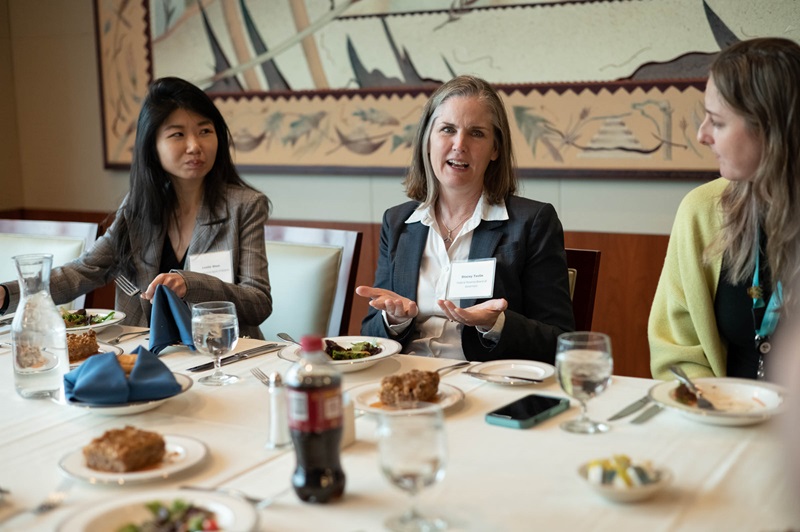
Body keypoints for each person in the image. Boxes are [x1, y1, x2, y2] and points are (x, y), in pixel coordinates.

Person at [0, 77, 272, 339]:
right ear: (152, 146)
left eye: (205, 131)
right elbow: (83, 271)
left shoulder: (244, 206)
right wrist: (6, 294)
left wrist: (191, 284)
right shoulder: (137, 207)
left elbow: (258, 301)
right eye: (178, 134)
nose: (194, 146)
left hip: (222, 353)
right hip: (145, 352)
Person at [356, 75, 575, 363]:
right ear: (427, 140)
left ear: (495, 149)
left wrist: (494, 324)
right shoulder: (397, 222)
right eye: (447, 129)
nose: (459, 144)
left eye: (477, 133)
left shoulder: (532, 222)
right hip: (406, 381)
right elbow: (371, 335)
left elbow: (558, 340)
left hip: (484, 386)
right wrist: (393, 320)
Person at [649, 38, 800, 380]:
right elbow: (676, 351)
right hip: (723, 421)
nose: (702, 135)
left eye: (716, 122)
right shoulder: (701, 211)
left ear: (771, 129)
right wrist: (714, 411)